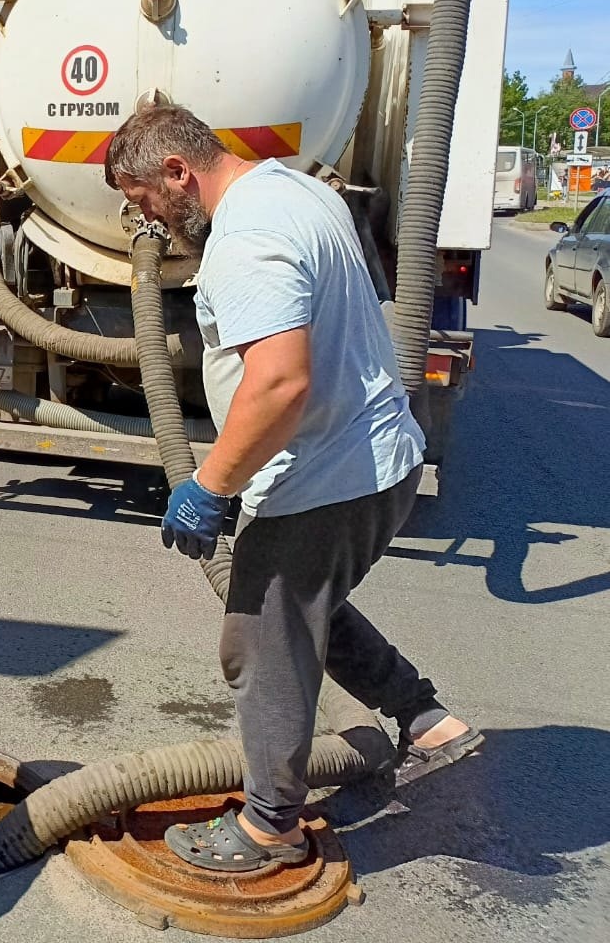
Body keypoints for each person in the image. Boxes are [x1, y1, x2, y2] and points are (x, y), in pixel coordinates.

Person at [103, 103, 482, 874]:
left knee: (260, 639)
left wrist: (208, 485)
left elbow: (278, 384)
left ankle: (269, 828)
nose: (143, 218)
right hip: (372, 459)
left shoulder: (244, 237)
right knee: (308, 606)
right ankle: (425, 718)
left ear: (177, 171)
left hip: (328, 474)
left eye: (142, 198)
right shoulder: (295, 189)